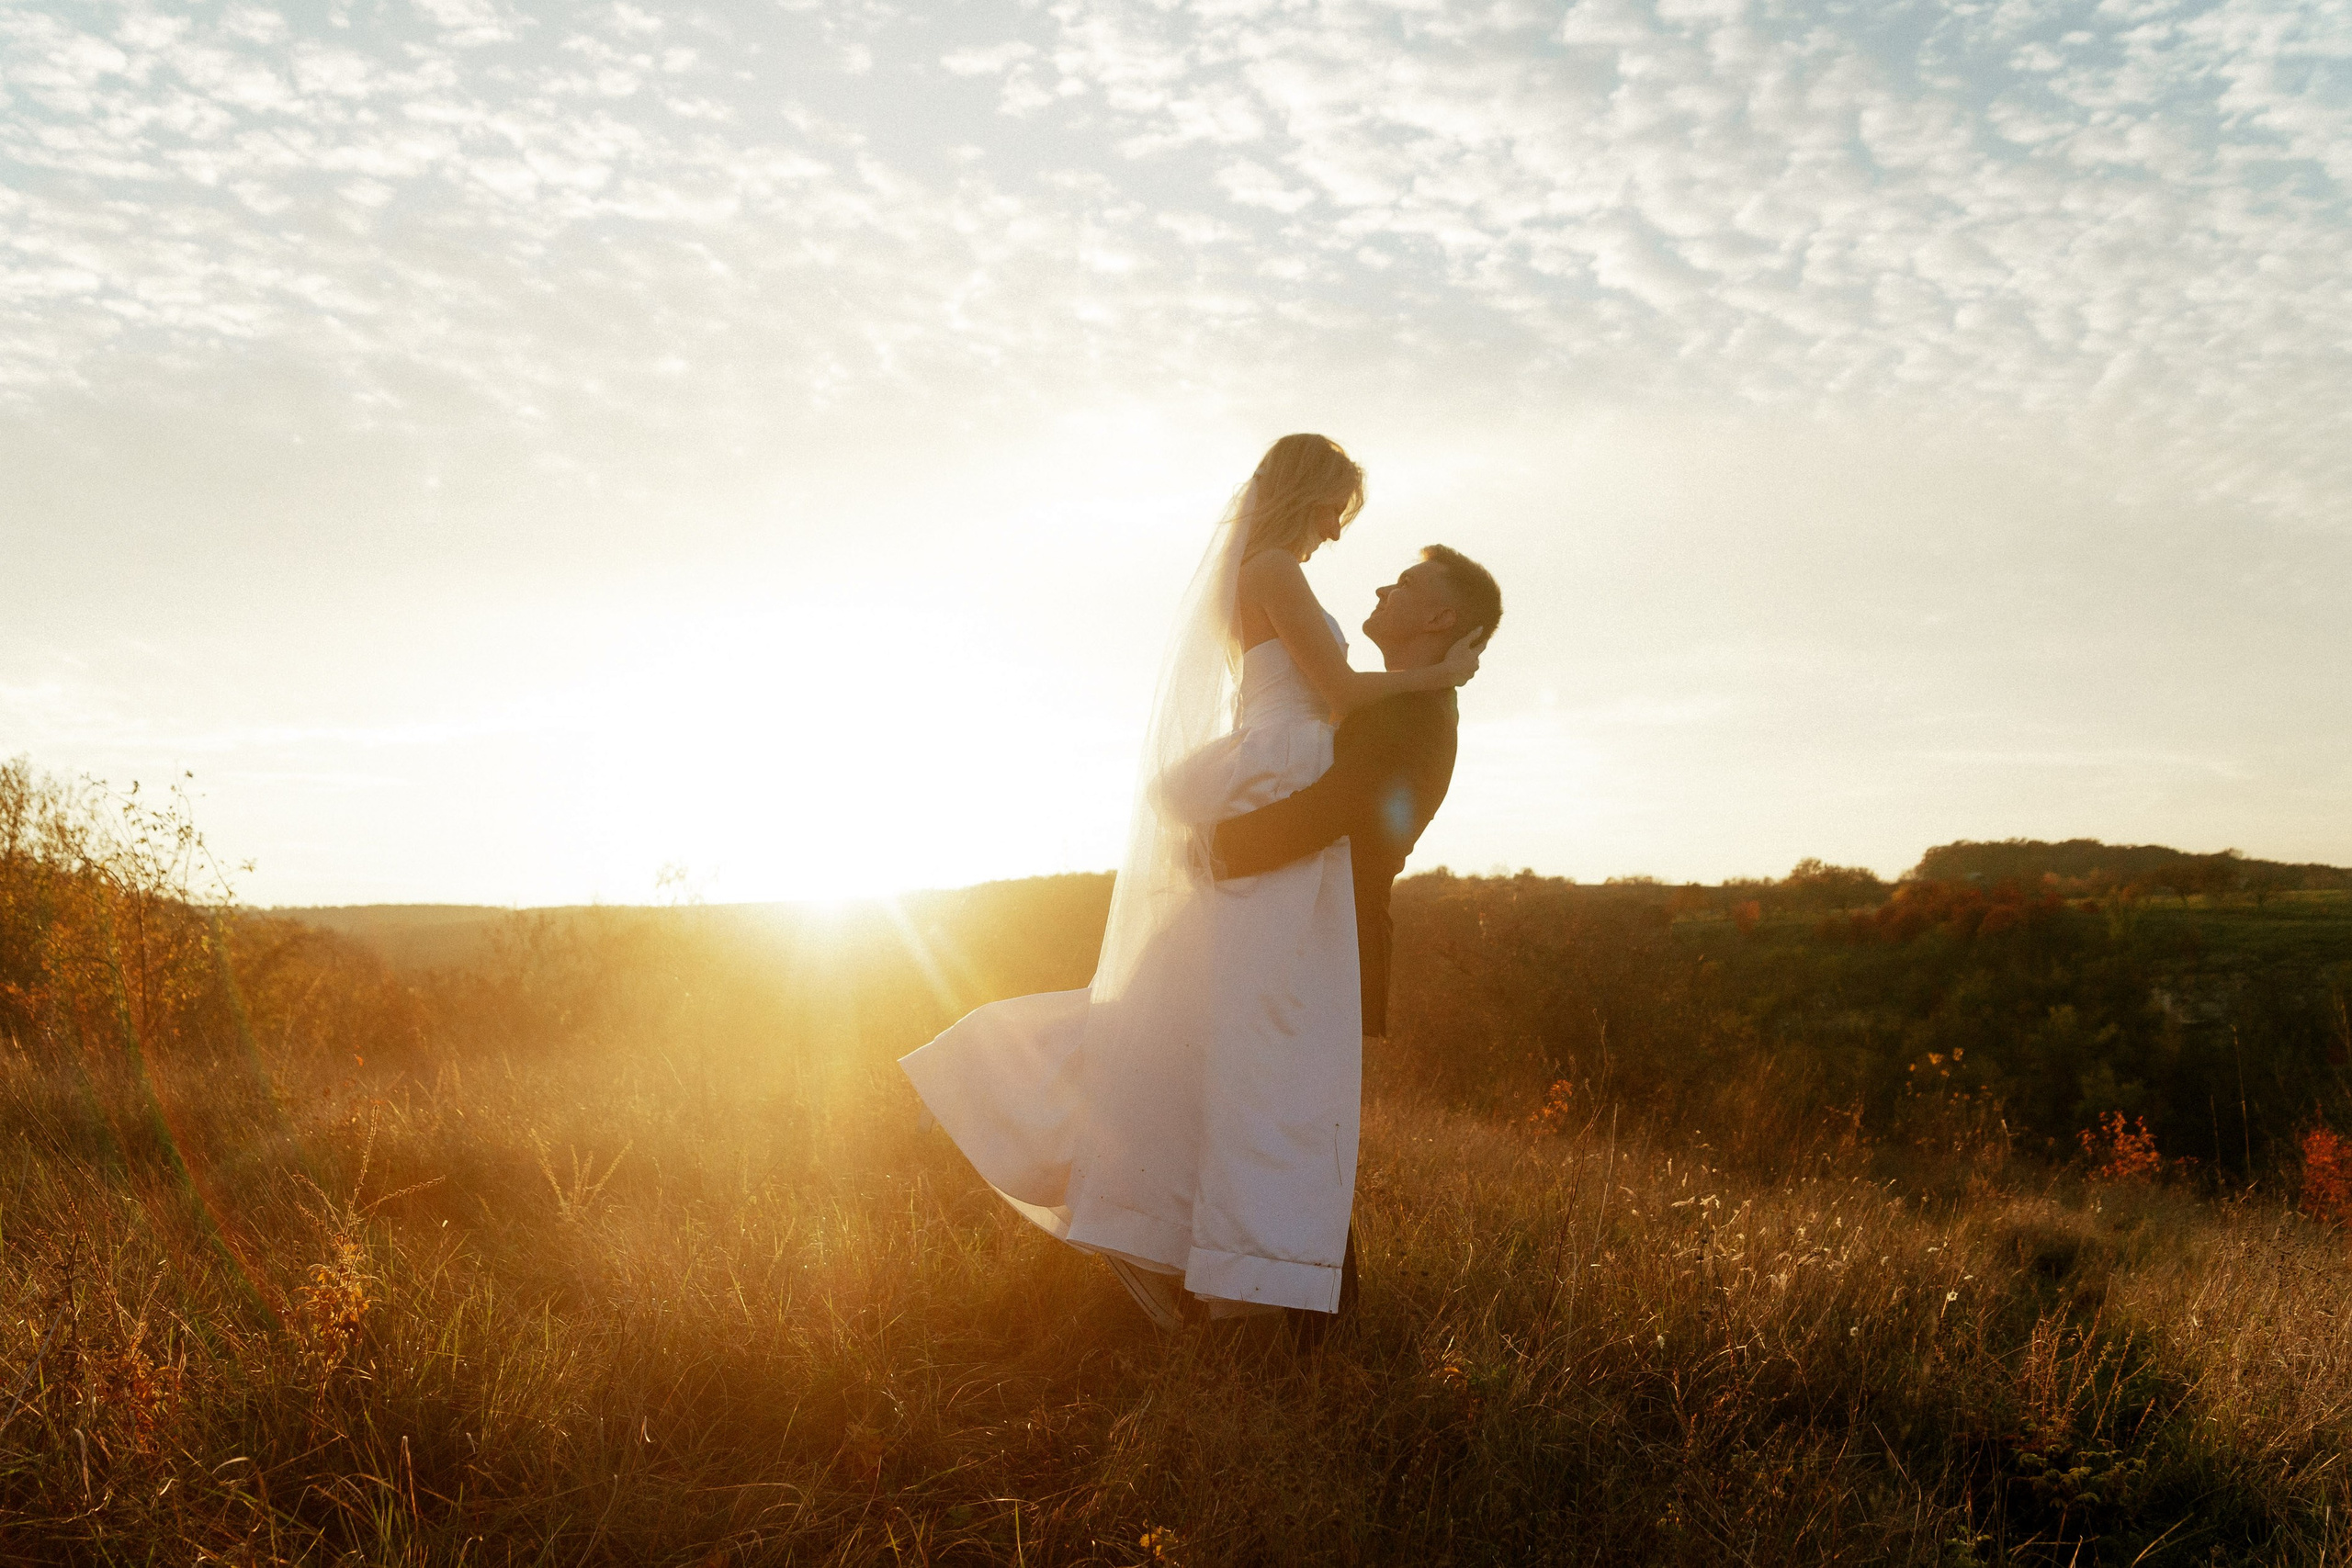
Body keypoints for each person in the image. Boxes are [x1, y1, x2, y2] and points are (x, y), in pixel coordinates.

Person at [899, 434, 1484, 1326]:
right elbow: (1330, 685)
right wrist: (1440, 675)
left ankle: (1227, 1264)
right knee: (1241, 1042)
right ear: (1308, 492)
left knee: (1202, 1029)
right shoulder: (1276, 568)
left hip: (1283, 784)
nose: (1338, 531)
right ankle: (1233, 1270)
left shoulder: (1270, 569)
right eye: (1337, 509)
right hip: (1281, 778)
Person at [1212, 543, 1503, 1338]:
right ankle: (1278, 1314)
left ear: (1442, 617)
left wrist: (1212, 848)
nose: (1383, 583)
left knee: (1303, 1136)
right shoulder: (1395, 702)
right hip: (1311, 932)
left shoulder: (1414, 714)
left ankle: (1315, 1331)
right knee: (1287, 1127)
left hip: (1333, 942)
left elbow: (1337, 808)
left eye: (1408, 583)